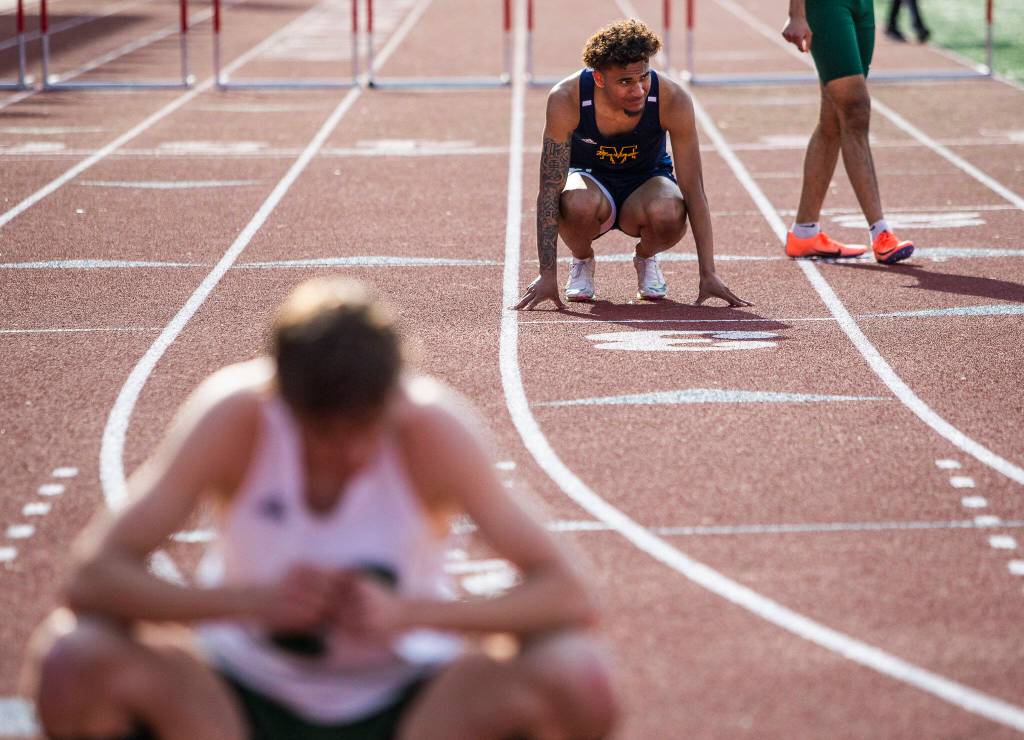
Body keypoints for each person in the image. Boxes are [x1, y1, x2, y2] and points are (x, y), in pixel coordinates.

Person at [26, 278, 618, 740]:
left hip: (414, 703)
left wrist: (410, 614)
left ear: (394, 394)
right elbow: (92, 577)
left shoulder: (435, 430)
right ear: (280, 398)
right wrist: (249, 604)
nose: (350, 451)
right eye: (322, 435)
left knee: (577, 676)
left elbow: (570, 593)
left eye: (366, 428)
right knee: (73, 660)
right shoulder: (236, 418)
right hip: (237, 694)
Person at [515, 19, 750, 309]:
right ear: (599, 79)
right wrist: (546, 274)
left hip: (647, 182)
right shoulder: (568, 98)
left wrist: (708, 273)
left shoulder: (672, 99)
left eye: (644, 78)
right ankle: (582, 259)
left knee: (669, 211)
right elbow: (549, 189)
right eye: (625, 81)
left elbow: (693, 188)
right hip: (590, 181)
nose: (639, 90)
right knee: (576, 203)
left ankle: (646, 257)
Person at [782, 0, 915, 264]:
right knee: (855, 109)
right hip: (827, 6)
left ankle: (804, 231)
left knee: (833, 119)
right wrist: (796, 13)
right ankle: (881, 232)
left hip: (863, 6)